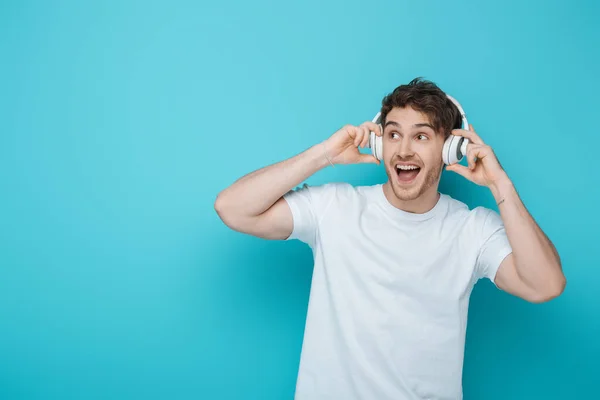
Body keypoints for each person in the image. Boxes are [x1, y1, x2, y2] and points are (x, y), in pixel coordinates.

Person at [214, 78, 566, 399]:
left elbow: (545, 285)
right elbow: (233, 208)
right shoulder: (335, 207)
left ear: (450, 149)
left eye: (422, 136)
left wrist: (500, 186)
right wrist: (324, 155)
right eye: (394, 135)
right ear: (381, 145)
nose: (404, 151)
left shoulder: (473, 229)